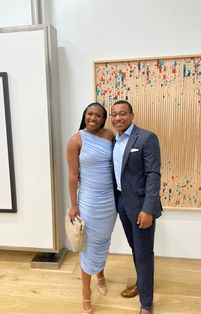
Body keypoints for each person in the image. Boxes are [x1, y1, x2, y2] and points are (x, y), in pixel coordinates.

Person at [110, 100, 162, 314]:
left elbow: (153, 174)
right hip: (122, 203)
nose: (117, 118)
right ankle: (142, 285)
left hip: (141, 206)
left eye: (122, 113)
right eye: (114, 114)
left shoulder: (147, 138)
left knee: (143, 253)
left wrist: (148, 209)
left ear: (131, 115)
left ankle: (146, 304)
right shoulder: (114, 140)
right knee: (136, 249)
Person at [67, 102, 117, 314]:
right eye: (90, 114)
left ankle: (101, 275)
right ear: (85, 115)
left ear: (104, 118)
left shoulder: (109, 135)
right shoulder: (75, 140)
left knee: (103, 240)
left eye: (98, 115)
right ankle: (85, 295)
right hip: (88, 199)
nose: (93, 118)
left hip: (109, 201)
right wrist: (73, 205)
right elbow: (72, 176)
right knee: (88, 245)